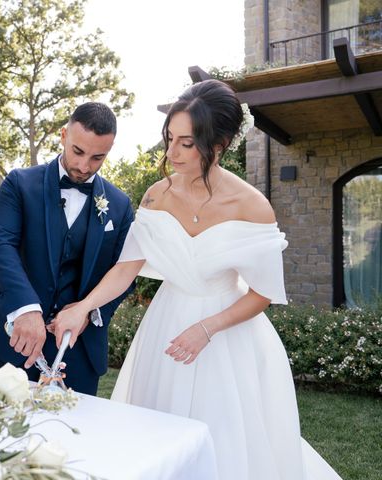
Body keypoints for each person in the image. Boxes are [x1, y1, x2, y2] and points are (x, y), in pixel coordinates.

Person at [53, 80, 342, 479]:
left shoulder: (251, 206)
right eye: (169, 139)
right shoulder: (156, 195)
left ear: (219, 143)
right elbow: (126, 268)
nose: (171, 153)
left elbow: (263, 294)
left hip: (227, 334)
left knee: (226, 440)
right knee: (159, 434)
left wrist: (207, 329)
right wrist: (83, 308)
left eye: (186, 143)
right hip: (166, 328)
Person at [0, 102, 135, 395]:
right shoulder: (19, 184)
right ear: (64, 135)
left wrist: (89, 314)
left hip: (79, 352)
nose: (84, 166)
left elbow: (123, 273)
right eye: (77, 151)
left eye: (97, 157)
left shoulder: (121, 205)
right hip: (15, 342)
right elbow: (0, 247)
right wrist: (24, 309)